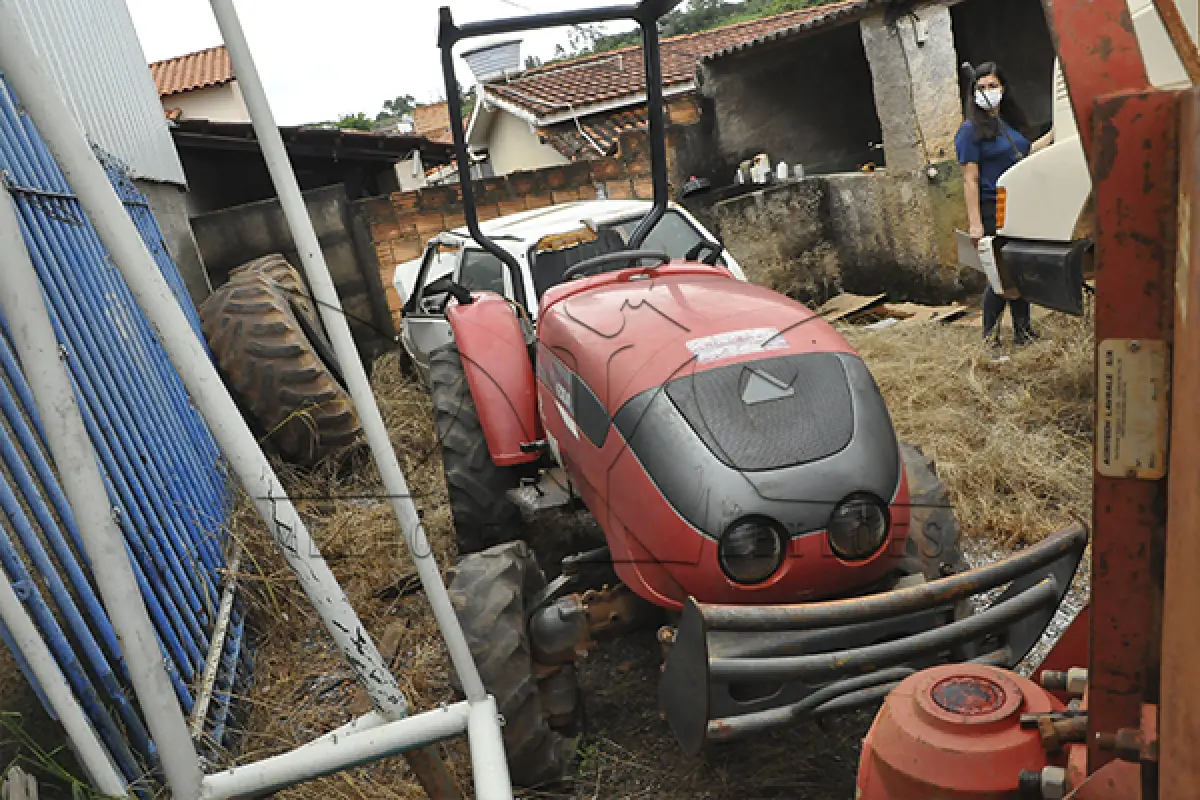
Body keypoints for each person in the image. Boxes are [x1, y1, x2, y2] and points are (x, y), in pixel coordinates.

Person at [955, 61, 1042, 355]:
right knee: (1000, 275)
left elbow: (1028, 152)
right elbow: (970, 178)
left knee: (1019, 269)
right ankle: (989, 339)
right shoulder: (970, 132)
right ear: (973, 92)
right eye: (983, 87)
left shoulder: (1011, 125)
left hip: (1020, 205)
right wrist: (975, 222)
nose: (989, 92)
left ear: (1003, 89)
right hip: (994, 207)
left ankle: (1023, 332)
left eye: (994, 86)